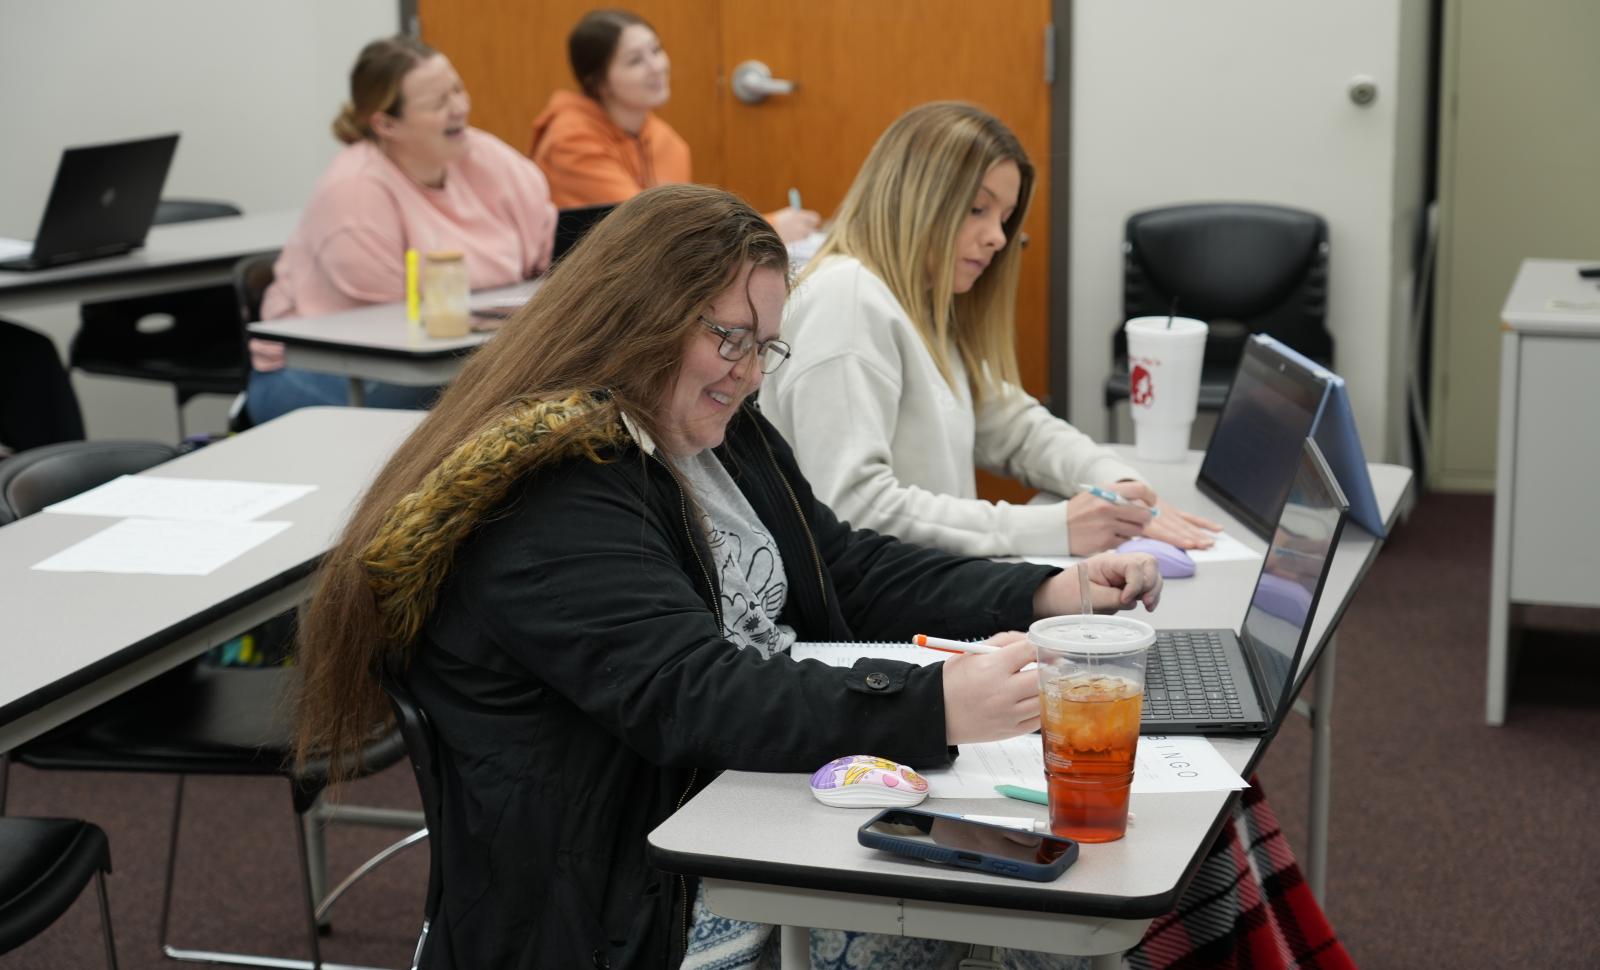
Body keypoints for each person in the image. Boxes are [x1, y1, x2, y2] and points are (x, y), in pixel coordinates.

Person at [291, 184, 1162, 970]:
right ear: (639, 318)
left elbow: (842, 568)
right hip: (640, 899)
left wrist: (1048, 588)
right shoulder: (549, 495)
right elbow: (691, 694)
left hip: (749, 801)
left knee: (1082, 896)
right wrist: (933, 704)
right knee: (1039, 925)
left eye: (764, 348)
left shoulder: (710, 424)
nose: (748, 374)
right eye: (729, 338)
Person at [760, 102, 1223, 558]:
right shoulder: (847, 300)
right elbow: (856, 509)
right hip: (870, 618)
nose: (998, 238)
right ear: (913, 197)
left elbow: (1013, 427)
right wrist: (1057, 527)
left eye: (1003, 219)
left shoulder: (915, 302)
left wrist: (1119, 486)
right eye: (978, 209)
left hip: (918, 590)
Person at [249, 36, 557, 424]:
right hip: (325, 373)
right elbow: (401, 324)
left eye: (457, 90)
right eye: (438, 103)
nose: (459, 108)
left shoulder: (489, 160)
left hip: (458, 360)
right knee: (501, 403)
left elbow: (545, 258)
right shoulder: (354, 191)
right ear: (386, 123)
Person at [530, 8, 820, 243]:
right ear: (598, 82)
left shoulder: (665, 139)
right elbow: (646, 227)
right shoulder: (569, 140)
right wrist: (766, 228)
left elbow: (683, 228)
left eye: (656, 50)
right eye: (635, 61)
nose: (657, 66)